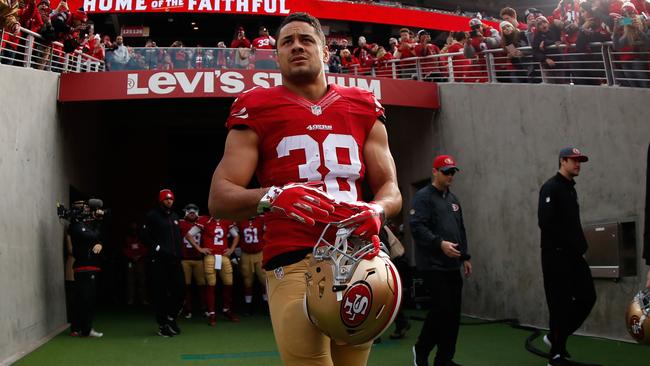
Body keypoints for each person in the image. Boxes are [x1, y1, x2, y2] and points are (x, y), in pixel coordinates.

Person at [208, 12, 401, 366]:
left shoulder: (362, 103)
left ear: (326, 52)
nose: (297, 46)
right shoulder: (257, 105)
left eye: (306, 39)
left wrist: (378, 209)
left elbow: (390, 187)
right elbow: (220, 197)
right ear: (277, 55)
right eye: (287, 42)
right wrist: (275, 196)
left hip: (358, 255)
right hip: (294, 258)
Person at [410, 155, 471, 366]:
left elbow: (460, 229)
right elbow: (417, 227)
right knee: (442, 310)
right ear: (435, 172)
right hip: (432, 265)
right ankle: (421, 350)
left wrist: (465, 257)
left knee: (453, 314)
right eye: (446, 172)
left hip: (453, 266)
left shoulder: (454, 200)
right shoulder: (423, 197)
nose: (450, 176)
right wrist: (440, 244)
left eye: (453, 172)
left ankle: (444, 359)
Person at [538, 147, 597, 366]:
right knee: (559, 305)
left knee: (587, 297)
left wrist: (579, 244)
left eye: (580, 161)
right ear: (562, 161)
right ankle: (556, 356)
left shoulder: (571, 190)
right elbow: (546, 222)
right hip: (555, 257)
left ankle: (555, 337)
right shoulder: (550, 188)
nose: (578, 164)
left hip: (573, 256)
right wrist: (568, 243)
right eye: (574, 160)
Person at [141, 189, 185, 337]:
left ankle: (171, 317)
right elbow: (144, 236)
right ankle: (162, 325)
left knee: (180, 290)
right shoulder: (152, 216)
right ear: (161, 200)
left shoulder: (175, 216)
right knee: (161, 293)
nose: (169, 201)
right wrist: (158, 248)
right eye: (166, 199)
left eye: (171, 199)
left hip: (175, 260)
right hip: (159, 261)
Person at [189, 215, 241, 325]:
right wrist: (199, 248)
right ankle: (212, 313)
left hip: (223, 256)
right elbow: (189, 235)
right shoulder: (205, 220)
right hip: (210, 256)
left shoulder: (226, 220)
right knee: (211, 284)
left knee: (229, 283)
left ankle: (226, 309)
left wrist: (231, 249)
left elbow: (236, 236)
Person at [68, 200, 105, 338]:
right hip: (84, 266)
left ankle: (77, 328)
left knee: (82, 299)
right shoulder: (76, 226)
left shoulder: (84, 224)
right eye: (83, 208)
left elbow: (96, 239)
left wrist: (99, 244)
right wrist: (98, 222)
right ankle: (86, 329)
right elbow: (92, 236)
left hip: (89, 266)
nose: (87, 210)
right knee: (86, 299)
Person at [178, 204, 209, 319]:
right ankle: (188, 309)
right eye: (189, 211)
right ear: (185, 212)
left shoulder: (202, 222)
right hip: (185, 259)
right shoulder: (180, 223)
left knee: (202, 285)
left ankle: (204, 308)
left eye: (194, 210)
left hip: (198, 259)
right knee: (186, 286)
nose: (192, 212)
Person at [237, 214, 267, 315]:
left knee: (264, 279)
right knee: (247, 281)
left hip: (260, 253)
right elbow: (234, 236)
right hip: (246, 254)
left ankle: (267, 304)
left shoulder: (262, 219)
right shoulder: (239, 220)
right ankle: (248, 305)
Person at [123, 221, 148, 306]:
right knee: (130, 281)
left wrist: (139, 256)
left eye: (135, 226)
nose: (134, 228)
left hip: (140, 261)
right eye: (132, 226)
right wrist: (131, 257)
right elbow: (125, 249)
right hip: (130, 262)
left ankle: (143, 299)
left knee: (142, 281)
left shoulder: (141, 237)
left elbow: (145, 248)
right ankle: (130, 299)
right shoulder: (126, 237)